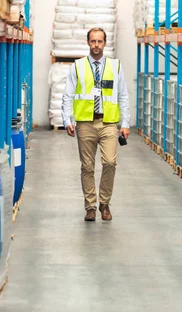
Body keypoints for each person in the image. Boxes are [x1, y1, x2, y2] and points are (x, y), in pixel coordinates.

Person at [61, 27, 130, 222]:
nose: (96, 45)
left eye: (100, 41)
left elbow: (123, 95)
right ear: (88, 42)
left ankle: (105, 203)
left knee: (109, 162)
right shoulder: (78, 66)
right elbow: (68, 95)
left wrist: (125, 123)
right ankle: (90, 206)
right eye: (93, 41)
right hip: (85, 123)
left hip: (108, 122)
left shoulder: (115, 66)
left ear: (105, 43)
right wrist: (67, 120)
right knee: (87, 166)